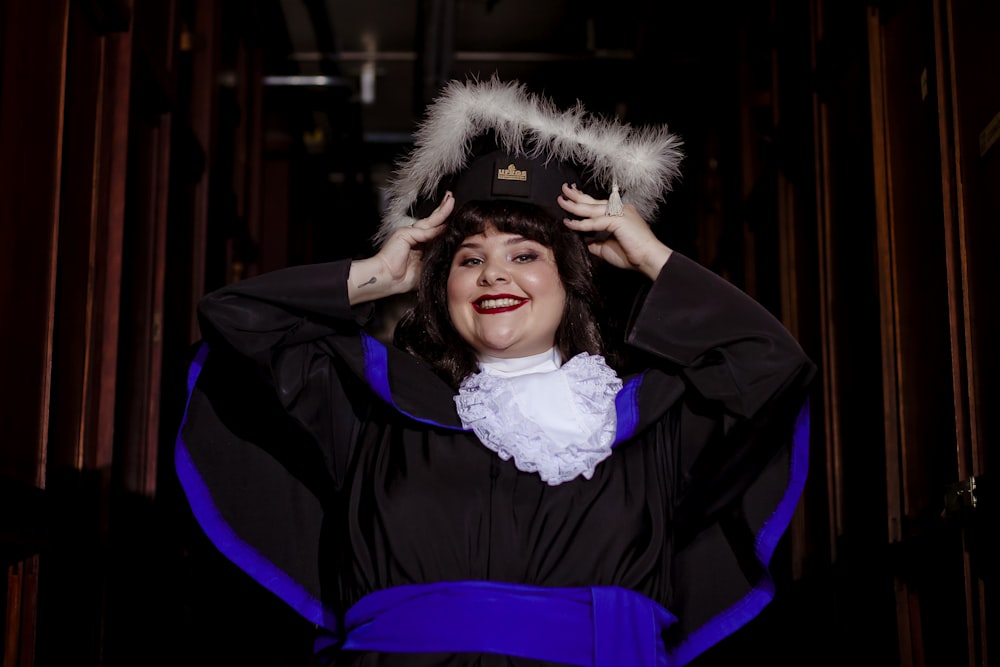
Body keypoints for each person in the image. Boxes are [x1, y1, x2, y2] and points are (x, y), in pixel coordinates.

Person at [175, 77, 816, 666]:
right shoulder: (372, 404)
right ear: (439, 285)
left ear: (571, 279)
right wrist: (379, 275)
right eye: (468, 257)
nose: (494, 274)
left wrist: (654, 257)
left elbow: (772, 365)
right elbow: (234, 322)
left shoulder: (645, 421)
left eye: (525, 252)